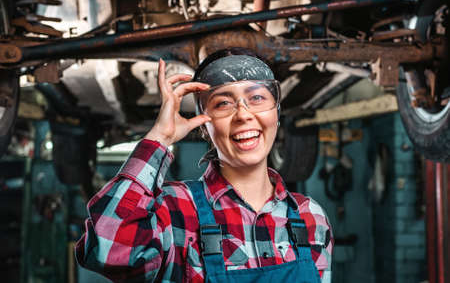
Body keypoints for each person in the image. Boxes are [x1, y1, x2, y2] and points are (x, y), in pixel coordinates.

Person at [76, 48, 333, 282]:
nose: (243, 114)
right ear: (205, 127)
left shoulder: (311, 217)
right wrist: (159, 138)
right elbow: (106, 250)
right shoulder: (174, 211)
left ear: (276, 113)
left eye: (256, 97)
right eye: (223, 103)